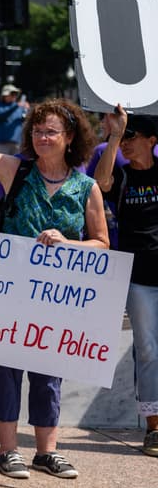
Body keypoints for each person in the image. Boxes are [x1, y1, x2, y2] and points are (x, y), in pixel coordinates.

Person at [0, 73, 108, 480]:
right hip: (8, 291)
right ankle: (8, 450)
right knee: (3, 370)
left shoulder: (87, 187)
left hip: (56, 296)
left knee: (48, 373)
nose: (42, 138)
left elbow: (101, 243)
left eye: (51, 132)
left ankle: (46, 452)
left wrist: (67, 244)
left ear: (70, 137)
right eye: (37, 131)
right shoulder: (15, 171)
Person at [93, 107, 158, 457]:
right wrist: (115, 135)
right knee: (147, 349)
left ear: (152, 140)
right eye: (124, 139)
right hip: (138, 277)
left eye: (134, 138)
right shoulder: (121, 176)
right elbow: (100, 184)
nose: (128, 145)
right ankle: (154, 426)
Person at [0, 83, 28, 155]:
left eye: (16, 94)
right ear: (4, 95)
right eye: (12, 93)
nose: (14, 96)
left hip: (17, 144)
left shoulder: (20, 107)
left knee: (17, 165)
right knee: (2, 165)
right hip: (3, 144)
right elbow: (1, 115)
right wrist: (16, 106)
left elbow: (25, 120)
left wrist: (27, 110)